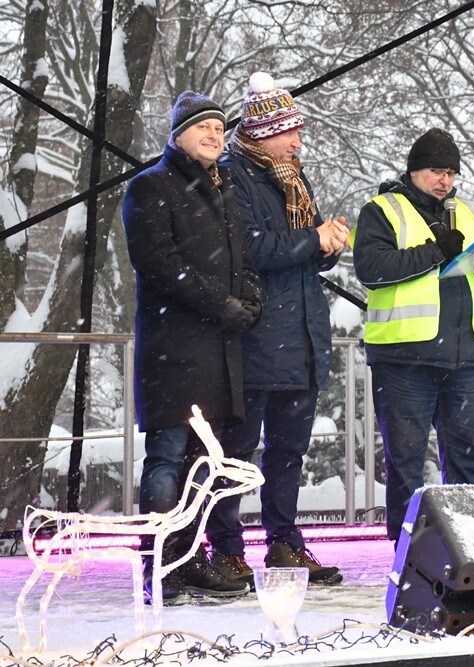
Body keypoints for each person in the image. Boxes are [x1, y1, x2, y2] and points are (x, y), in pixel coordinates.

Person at [205, 72, 347, 586]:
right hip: (257, 339)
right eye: (290, 133)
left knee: (289, 452)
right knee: (236, 455)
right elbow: (251, 250)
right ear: (263, 133)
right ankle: (225, 549)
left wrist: (326, 245)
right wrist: (314, 240)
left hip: (302, 340)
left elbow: (299, 255)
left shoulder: (291, 177)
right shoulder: (231, 177)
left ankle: (285, 543)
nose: (297, 142)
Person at [122, 90, 259, 602]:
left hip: (218, 352)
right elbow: (158, 263)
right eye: (204, 127)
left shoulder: (223, 192)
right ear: (178, 134)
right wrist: (219, 303)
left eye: (221, 130)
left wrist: (250, 300)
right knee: (167, 457)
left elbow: (243, 259)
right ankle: (160, 564)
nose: (214, 135)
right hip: (172, 350)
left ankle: (187, 555)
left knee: (204, 464)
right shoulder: (150, 186)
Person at [351, 128, 474, 548]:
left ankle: (471, 542)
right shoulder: (381, 210)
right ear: (414, 171)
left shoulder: (472, 212)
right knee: (405, 458)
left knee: (466, 453)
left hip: (464, 354)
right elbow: (372, 268)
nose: (445, 181)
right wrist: (435, 251)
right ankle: (407, 548)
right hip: (405, 356)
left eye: (451, 173)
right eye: (436, 172)